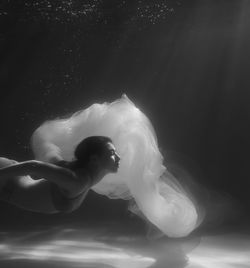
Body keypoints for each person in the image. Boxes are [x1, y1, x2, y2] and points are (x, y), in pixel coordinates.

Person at [0, 136, 120, 213]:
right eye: (112, 153)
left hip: (8, 183)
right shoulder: (77, 181)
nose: (118, 157)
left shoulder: (80, 175)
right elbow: (33, 166)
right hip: (6, 181)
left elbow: (50, 158)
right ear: (94, 159)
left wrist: (48, 144)